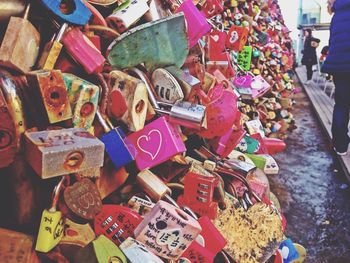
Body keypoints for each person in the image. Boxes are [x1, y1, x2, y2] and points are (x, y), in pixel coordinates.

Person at [322, 0, 350, 155]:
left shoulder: (337, 15)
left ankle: (340, 145)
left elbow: (332, 41)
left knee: (341, 105)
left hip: (340, 67)